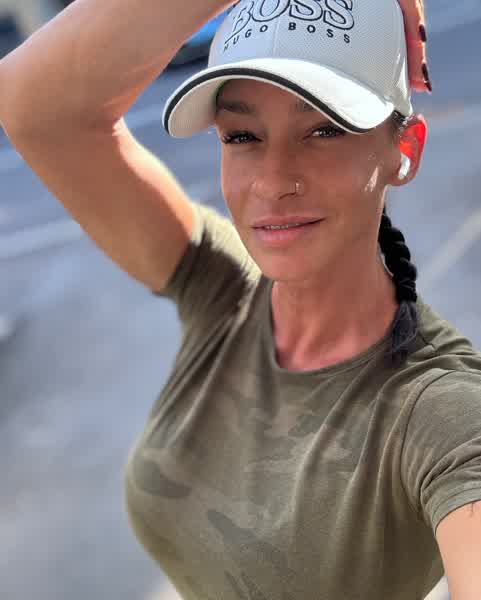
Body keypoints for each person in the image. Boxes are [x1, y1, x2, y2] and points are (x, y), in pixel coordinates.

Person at [0, 1, 479, 599]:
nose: (273, 181)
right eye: (243, 135)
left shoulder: (442, 412)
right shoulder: (222, 288)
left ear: (405, 148)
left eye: (324, 130)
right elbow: (36, 106)